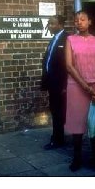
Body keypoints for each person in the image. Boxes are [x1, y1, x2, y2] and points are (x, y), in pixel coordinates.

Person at [65, 10, 95, 172]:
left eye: (83, 19)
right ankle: (77, 159)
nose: (79, 22)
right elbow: (69, 66)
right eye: (76, 20)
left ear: (90, 21)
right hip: (77, 87)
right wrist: (85, 86)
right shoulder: (70, 40)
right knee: (78, 125)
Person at [41, 15, 68, 149]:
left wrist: (65, 85)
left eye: (52, 24)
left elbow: (67, 65)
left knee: (58, 111)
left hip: (60, 84)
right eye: (49, 24)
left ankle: (57, 139)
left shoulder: (67, 39)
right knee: (55, 110)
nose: (50, 26)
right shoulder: (54, 38)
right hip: (52, 83)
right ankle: (57, 137)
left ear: (60, 25)